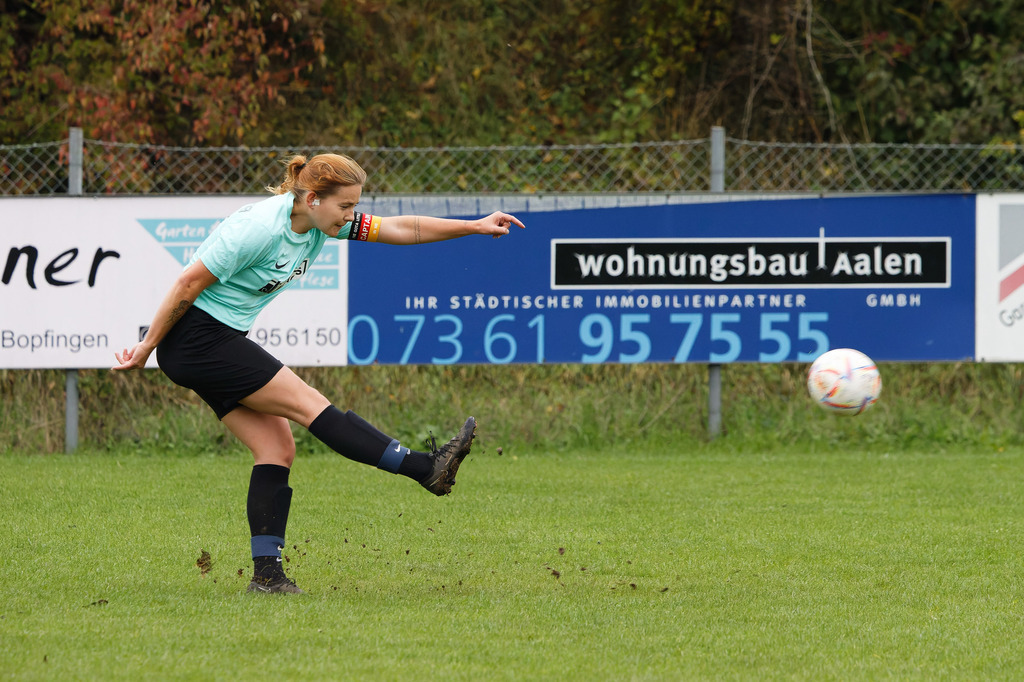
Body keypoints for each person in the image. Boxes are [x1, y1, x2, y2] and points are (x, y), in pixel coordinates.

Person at [112, 153, 525, 594]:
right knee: (310, 405)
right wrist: (146, 347)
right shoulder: (258, 228)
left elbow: (401, 228)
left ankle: (267, 577)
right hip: (198, 341)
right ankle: (424, 468)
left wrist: (473, 226)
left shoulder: (319, 221)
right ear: (312, 198)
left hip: (210, 342)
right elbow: (187, 283)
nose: (351, 215)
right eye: (345, 206)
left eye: (354, 206)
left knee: (276, 448)